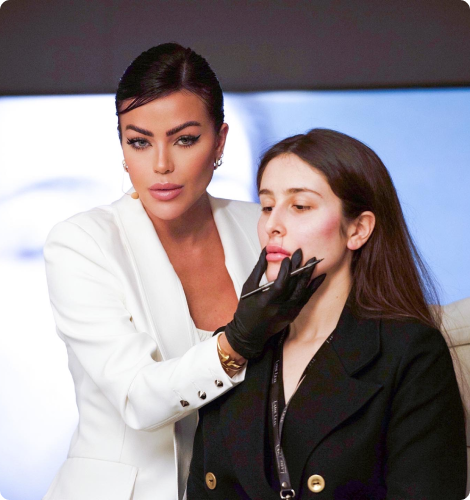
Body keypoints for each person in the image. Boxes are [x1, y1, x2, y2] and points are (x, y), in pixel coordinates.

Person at [42, 43, 320, 500]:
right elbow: (137, 398)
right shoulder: (82, 242)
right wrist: (236, 344)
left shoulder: (262, 226)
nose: (161, 165)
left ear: (220, 141)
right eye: (139, 141)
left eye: (184, 139)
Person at [187, 128, 467, 499]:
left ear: (358, 229)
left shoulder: (409, 351)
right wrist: (238, 337)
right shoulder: (237, 349)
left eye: (300, 206)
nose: (272, 225)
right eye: (267, 206)